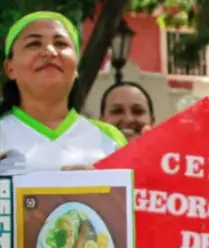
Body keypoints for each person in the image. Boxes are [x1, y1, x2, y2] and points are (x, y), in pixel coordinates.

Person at [0, 11, 126, 175]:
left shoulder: (110, 140)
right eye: (34, 44)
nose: (50, 52)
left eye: (61, 44)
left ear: (76, 68)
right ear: (10, 68)